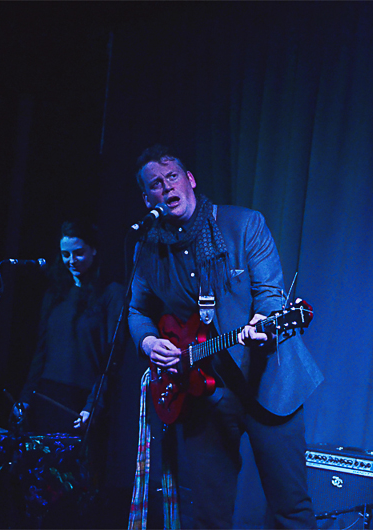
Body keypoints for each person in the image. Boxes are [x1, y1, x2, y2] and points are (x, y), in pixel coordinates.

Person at [128, 145, 323, 529]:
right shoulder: (149, 249)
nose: (166, 187)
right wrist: (150, 344)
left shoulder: (244, 225)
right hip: (202, 394)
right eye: (155, 184)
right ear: (147, 197)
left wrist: (263, 325)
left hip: (269, 385)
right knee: (207, 517)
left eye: (172, 177)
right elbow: (135, 311)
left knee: (290, 509)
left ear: (190, 181)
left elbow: (270, 294)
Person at [14, 220, 125, 434]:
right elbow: (41, 351)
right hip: (45, 394)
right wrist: (25, 398)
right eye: (65, 255)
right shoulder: (55, 293)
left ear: (94, 250)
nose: (71, 261)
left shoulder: (111, 294)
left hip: (82, 398)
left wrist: (93, 405)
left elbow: (111, 357)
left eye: (78, 253)